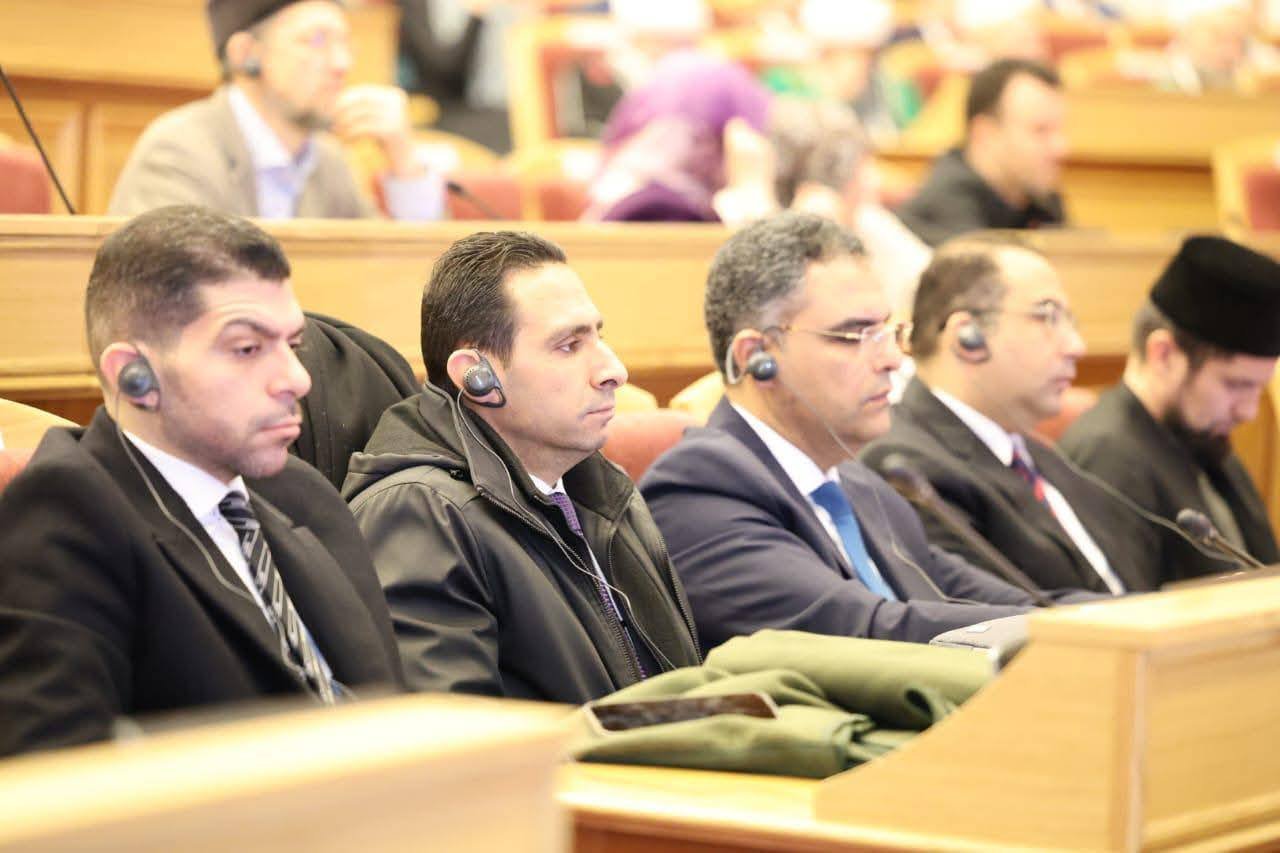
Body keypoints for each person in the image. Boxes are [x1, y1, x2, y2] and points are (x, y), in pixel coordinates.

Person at [0, 206, 402, 757]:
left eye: (292, 345)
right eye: (247, 349)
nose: (297, 379)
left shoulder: (302, 495)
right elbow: (58, 777)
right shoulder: (64, 516)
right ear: (134, 377)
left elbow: (393, 713)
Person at [640, 213, 1076, 654]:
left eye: (887, 331)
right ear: (756, 357)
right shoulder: (699, 488)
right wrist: (1059, 630)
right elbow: (866, 629)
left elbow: (1007, 600)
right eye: (854, 335)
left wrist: (1101, 622)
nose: (892, 360)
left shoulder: (863, 485)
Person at [343, 230, 700, 703]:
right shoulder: (420, 515)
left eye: (599, 336)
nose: (614, 371)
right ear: (478, 376)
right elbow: (453, 732)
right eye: (569, 346)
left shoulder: (600, 489)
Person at [862, 237, 1152, 593]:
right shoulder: (908, 467)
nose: (1076, 347)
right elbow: (990, 613)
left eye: (1070, 322)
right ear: (967, 337)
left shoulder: (1043, 458)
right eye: (1047, 317)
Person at [1061, 235, 1280, 584]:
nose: (1249, 411)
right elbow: (1125, 611)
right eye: (1236, 385)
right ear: (1164, 354)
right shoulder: (1107, 457)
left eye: (1258, 388)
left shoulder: (1203, 436)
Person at [109, 0, 444, 220]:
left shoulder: (328, 161)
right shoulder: (179, 151)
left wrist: (404, 160)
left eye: (345, 42)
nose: (342, 63)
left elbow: (395, 273)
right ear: (246, 54)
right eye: (317, 40)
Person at [897, 58, 1067, 247]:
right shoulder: (946, 212)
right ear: (985, 133)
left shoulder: (1039, 201)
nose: (1060, 147)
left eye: (1059, 130)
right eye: (1040, 130)